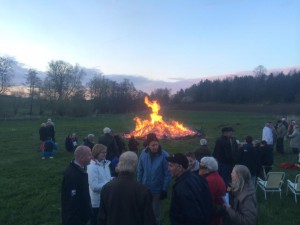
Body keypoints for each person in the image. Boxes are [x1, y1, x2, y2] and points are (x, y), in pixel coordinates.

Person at [98, 151, 156, 225]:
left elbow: (102, 218)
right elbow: (149, 220)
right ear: (135, 166)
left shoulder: (106, 188)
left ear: (119, 164)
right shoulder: (143, 191)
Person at [166, 153, 212, 225]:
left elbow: (192, 215)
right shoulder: (197, 177)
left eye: (171, 166)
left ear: (180, 167)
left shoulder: (182, 188)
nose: (168, 169)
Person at [137, 133, 171, 225]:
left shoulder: (164, 155)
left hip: (157, 189)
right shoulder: (143, 153)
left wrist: (164, 189)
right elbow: (140, 170)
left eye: (156, 144)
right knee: (144, 211)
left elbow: (167, 174)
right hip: (145, 188)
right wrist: (139, 185)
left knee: (156, 214)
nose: (155, 147)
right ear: (148, 145)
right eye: (153, 145)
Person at [61, 145, 93, 225]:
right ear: (81, 158)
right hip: (76, 220)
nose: (91, 157)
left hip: (82, 216)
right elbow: (72, 202)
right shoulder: (72, 175)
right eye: (89, 155)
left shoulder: (80, 170)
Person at [87, 144, 112, 225]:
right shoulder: (92, 167)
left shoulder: (105, 164)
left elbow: (105, 179)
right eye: (102, 152)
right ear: (96, 153)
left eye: (105, 152)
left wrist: (113, 180)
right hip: (97, 202)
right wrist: (109, 184)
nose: (105, 154)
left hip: (106, 199)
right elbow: (94, 187)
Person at [199, 157, 226, 225]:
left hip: (212, 218)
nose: (199, 168)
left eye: (201, 166)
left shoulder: (210, 181)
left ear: (208, 169)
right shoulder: (214, 176)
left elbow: (205, 202)